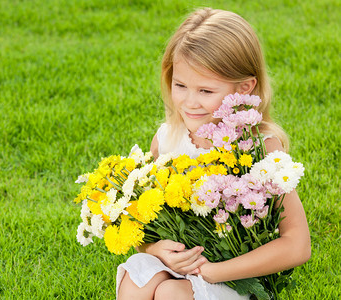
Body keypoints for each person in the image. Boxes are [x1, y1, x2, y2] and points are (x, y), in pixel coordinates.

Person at [116, 8, 311, 300]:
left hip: (234, 276)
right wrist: (155, 250)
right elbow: (146, 223)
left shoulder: (259, 150)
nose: (190, 102)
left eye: (206, 91)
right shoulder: (167, 139)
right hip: (180, 264)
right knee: (137, 279)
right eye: (180, 85)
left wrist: (214, 271)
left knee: (171, 292)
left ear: (244, 88)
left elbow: (297, 244)